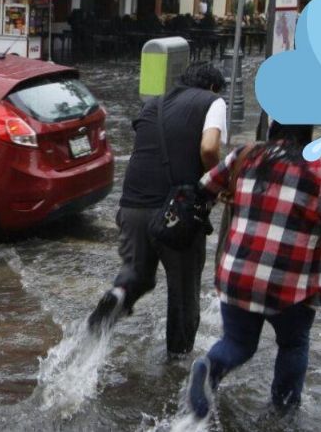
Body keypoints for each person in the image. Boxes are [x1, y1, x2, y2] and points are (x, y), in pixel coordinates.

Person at [186, 122, 321, 418]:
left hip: (237, 273)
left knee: (237, 343)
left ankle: (208, 369)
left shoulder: (245, 155)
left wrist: (231, 194)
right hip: (290, 285)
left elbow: (205, 185)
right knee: (293, 344)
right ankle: (282, 412)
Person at [87, 62, 228, 357]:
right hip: (177, 213)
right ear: (213, 87)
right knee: (183, 293)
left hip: (131, 207)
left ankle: (118, 294)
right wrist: (222, 183)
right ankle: (177, 362)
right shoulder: (213, 101)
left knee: (138, 274)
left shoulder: (154, 104)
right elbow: (209, 148)